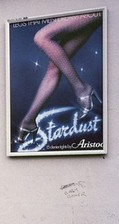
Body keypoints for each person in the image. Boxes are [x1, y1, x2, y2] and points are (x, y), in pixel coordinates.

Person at [14, 12, 102, 144]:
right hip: (83, 10)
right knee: (54, 67)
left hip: (92, 10)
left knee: (41, 37)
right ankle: (29, 121)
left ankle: (81, 88)